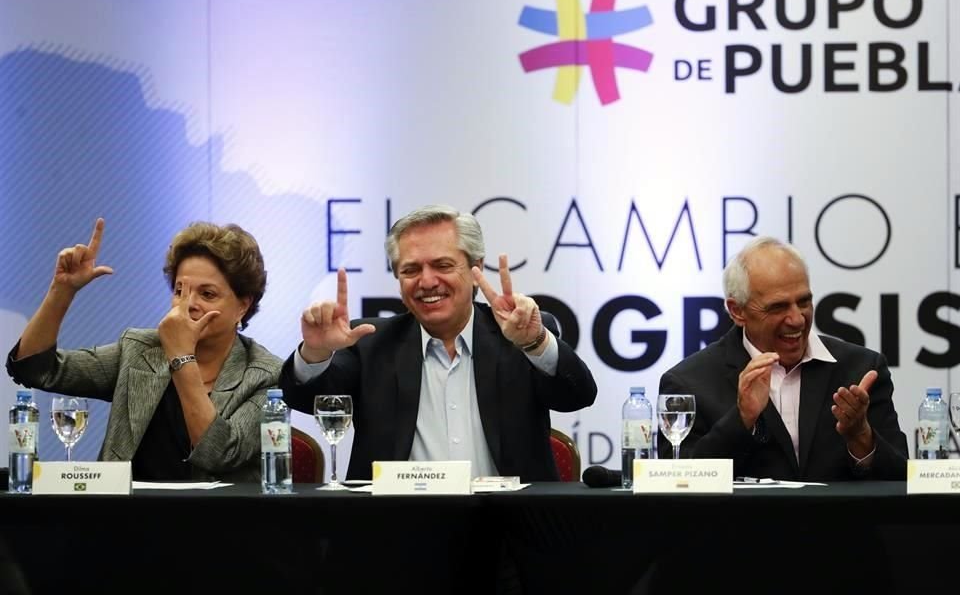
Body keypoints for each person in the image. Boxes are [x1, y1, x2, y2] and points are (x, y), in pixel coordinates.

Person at [279, 204, 597, 482]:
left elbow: (577, 395)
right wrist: (317, 352)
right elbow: (308, 399)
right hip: (398, 533)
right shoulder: (369, 342)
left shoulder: (518, 334)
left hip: (508, 532)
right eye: (411, 269)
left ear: (476, 269)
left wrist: (536, 343)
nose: (427, 281)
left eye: (443, 265)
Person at [6, 218, 281, 482]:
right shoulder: (139, 351)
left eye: (207, 294)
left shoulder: (265, 375)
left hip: (216, 525)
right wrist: (61, 290)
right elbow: (36, 369)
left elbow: (219, 454)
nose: (189, 304)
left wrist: (181, 357)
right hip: (124, 521)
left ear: (243, 305)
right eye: (180, 290)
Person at [657, 236, 907, 481]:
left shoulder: (861, 370)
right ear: (737, 311)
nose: (797, 319)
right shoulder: (689, 383)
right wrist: (741, 419)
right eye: (778, 307)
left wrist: (861, 437)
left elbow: (901, 479)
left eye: (804, 302)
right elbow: (677, 485)